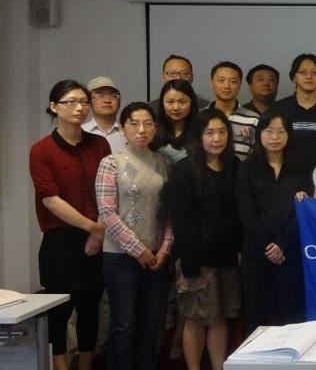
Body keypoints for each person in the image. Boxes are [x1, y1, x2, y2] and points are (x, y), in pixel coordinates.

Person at [29, 80, 110, 370]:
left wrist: (98, 232)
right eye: (71, 102)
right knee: (59, 311)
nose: (79, 108)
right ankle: (60, 366)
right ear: (54, 107)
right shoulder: (42, 150)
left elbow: (107, 191)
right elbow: (51, 200)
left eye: (84, 102)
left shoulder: (99, 144)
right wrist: (93, 228)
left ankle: (85, 365)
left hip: (96, 239)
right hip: (60, 243)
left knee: (90, 309)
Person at [95, 102, 172, 370]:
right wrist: (139, 250)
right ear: (123, 128)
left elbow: (170, 211)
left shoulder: (163, 162)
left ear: (155, 128)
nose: (141, 130)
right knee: (124, 323)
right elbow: (107, 212)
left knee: (150, 324)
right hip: (120, 257)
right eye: (134, 124)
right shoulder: (110, 163)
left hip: (156, 258)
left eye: (148, 124)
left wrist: (165, 248)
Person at [165, 109, 242, 370]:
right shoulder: (185, 169)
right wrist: (190, 264)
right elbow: (181, 220)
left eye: (222, 132)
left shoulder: (234, 166)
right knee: (196, 319)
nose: (216, 138)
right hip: (197, 259)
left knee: (219, 317)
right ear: (199, 136)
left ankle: (218, 366)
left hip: (227, 258)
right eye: (210, 133)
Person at [237, 110, 310, 335]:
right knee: (256, 316)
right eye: (269, 131)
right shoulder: (247, 167)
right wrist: (268, 246)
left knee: (291, 317)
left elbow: (304, 209)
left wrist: (282, 245)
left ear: (289, 134)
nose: (275, 137)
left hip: (290, 252)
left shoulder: (301, 167)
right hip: (256, 252)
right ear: (260, 133)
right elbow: (246, 210)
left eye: (281, 131)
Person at [273, 53, 316, 173]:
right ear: (294, 77)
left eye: (315, 73)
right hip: (287, 178)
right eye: (303, 72)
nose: (309, 76)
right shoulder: (279, 109)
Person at [230, 64, 280, 161]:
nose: (266, 83)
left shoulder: (286, 113)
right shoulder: (236, 116)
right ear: (250, 86)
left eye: (271, 79)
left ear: (277, 85)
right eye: (260, 79)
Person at [154, 79, 199, 164]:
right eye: (170, 102)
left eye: (182, 102)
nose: (176, 107)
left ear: (192, 102)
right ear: (162, 103)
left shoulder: (201, 130)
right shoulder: (153, 131)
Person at [82, 76, 124, 152]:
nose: (107, 100)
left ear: (119, 102)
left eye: (113, 96)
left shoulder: (129, 133)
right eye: (100, 96)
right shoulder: (81, 132)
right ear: (89, 101)